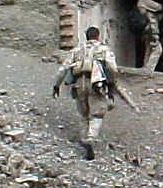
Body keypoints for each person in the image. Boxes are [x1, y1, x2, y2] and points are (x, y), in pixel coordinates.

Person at [53, 26, 139, 160]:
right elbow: (112, 67)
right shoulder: (104, 49)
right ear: (98, 36)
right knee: (97, 113)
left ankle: (84, 138)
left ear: (86, 37)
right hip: (96, 85)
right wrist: (112, 80)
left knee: (84, 113)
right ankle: (91, 138)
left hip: (78, 84)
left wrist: (56, 85)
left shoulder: (77, 51)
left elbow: (63, 69)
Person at [136, 0, 163, 71]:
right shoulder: (144, 1)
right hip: (151, 30)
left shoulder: (142, 3)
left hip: (148, 30)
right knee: (158, 50)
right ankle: (149, 69)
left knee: (149, 49)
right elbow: (159, 7)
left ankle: (145, 68)